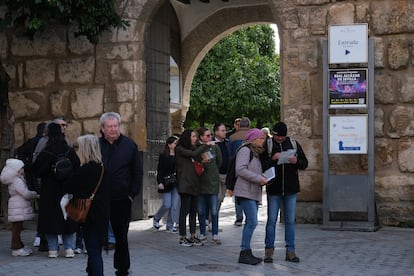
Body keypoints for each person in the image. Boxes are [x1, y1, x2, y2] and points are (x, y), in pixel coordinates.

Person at [99, 112, 143, 276]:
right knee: (96, 235)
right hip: (100, 199)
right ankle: (95, 267)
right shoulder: (96, 145)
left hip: (122, 198)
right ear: (103, 128)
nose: (113, 129)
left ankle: (122, 268)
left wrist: (132, 194)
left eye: (115, 126)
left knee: (121, 236)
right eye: (109, 126)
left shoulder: (129, 145)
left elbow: (137, 171)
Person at [261, 122, 308, 263]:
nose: (280, 139)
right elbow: (261, 165)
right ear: (273, 134)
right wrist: (272, 160)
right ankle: (269, 251)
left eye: (282, 136)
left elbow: (305, 163)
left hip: (290, 188)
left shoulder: (293, 143)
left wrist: (296, 161)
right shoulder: (267, 144)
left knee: (290, 221)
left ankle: (290, 251)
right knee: (271, 221)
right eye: (277, 136)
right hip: (274, 188)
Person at [31, 122, 80, 258]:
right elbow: (77, 167)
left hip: (49, 191)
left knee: (50, 219)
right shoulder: (69, 151)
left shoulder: (46, 152)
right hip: (67, 190)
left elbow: (35, 170)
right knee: (68, 218)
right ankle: (69, 248)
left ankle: (53, 250)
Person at [64, 134, 109, 275]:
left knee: (93, 251)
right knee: (94, 250)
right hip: (102, 213)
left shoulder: (84, 170)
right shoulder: (103, 168)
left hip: (89, 214)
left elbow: (69, 186)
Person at [175, 129, 215, 247]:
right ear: (187, 137)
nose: (195, 139)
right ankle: (182, 237)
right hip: (185, 184)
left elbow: (197, 158)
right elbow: (192, 155)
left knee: (193, 211)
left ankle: (192, 235)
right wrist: (205, 145)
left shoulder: (194, 149)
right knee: (184, 211)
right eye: (193, 136)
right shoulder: (180, 149)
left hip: (195, 184)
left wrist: (204, 159)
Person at [233, 128, 267, 265]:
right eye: (261, 138)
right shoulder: (245, 150)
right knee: (252, 221)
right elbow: (240, 169)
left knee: (251, 222)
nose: (263, 141)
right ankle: (244, 252)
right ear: (254, 139)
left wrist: (263, 177)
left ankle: (247, 251)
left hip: (252, 192)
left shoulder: (255, 153)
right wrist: (259, 178)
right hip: (245, 191)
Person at [0, 159, 38, 256]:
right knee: (16, 228)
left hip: (16, 206)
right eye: (21, 168)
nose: (23, 170)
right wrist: (34, 194)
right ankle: (16, 248)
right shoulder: (17, 181)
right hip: (18, 206)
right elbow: (25, 193)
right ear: (16, 169)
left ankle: (19, 245)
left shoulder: (16, 179)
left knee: (17, 227)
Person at [197, 127, 222, 244]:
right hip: (200, 184)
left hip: (212, 182)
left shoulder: (215, 147)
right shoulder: (198, 148)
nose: (210, 137)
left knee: (214, 210)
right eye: (207, 135)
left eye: (210, 135)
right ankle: (202, 233)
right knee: (201, 211)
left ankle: (215, 234)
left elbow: (219, 162)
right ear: (201, 137)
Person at [153, 136, 180, 233]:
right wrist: (160, 182)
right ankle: (156, 218)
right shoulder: (164, 155)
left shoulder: (179, 155)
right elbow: (160, 170)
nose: (176, 145)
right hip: (167, 182)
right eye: (175, 143)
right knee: (167, 204)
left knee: (174, 205)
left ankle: (170, 225)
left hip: (177, 182)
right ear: (169, 144)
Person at [228, 117, 251, 226]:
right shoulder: (253, 136)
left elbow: (229, 155)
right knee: (250, 193)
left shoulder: (232, 138)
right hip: (251, 169)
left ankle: (239, 217)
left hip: (237, 169)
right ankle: (249, 216)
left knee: (238, 194)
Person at [213, 123, 230, 211]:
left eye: (225, 130)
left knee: (221, 198)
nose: (225, 132)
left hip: (225, 174)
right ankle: (211, 217)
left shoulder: (227, 143)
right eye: (222, 130)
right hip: (216, 174)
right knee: (217, 197)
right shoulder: (212, 144)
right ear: (216, 132)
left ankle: (214, 216)